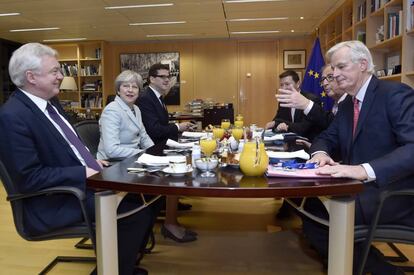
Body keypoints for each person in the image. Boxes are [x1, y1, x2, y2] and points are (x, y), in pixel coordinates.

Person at [0, 43, 155, 275]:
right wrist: (80, 172)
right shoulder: (12, 117)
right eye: (54, 71)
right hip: (53, 201)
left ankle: (119, 264)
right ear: (31, 77)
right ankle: (113, 269)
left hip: (78, 186)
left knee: (143, 196)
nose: (61, 76)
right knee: (136, 210)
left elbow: (69, 147)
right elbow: (27, 178)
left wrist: (92, 162)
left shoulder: (50, 104)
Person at [303, 40, 414, 275]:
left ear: (363, 64)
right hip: (363, 190)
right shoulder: (346, 105)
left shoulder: (394, 94)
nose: (335, 74)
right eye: (333, 69)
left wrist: (363, 170)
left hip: (394, 194)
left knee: (321, 216)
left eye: (341, 67)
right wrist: (321, 153)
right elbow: (326, 137)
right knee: (312, 208)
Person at [136, 63, 197, 242]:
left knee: (187, 156)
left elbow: (160, 126)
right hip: (153, 151)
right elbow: (154, 130)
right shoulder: (146, 98)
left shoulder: (158, 97)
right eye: (162, 77)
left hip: (158, 147)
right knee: (179, 167)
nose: (167, 80)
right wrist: (178, 126)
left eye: (168, 76)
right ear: (151, 79)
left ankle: (173, 215)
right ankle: (170, 224)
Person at [97, 70, 154, 160]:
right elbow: (111, 150)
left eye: (135, 87)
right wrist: (142, 153)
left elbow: (144, 137)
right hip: (113, 163)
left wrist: (154, 152)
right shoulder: (112, 110)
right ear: (118, 90)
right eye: (126, 86)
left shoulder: (136, 109)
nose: (130, 90)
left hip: (132, 159)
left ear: (139, 92)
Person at [276, 65, 347, 130]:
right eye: (323, 79)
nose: (324, 84)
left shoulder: (311, 99)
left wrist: (307, 105)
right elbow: (330, 132)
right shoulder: (336, 104)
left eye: (330, 77)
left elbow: (305, 128)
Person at [264, 70, 323, 141]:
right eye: (281, 85)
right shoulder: (283, 101)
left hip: (308, 143)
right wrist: (274, 123)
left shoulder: (310, 100)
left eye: (287, 84)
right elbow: (277, 120)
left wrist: (286, 125)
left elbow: (303, 128)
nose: (283, 88)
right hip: (289, 142)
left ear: (298, 84)